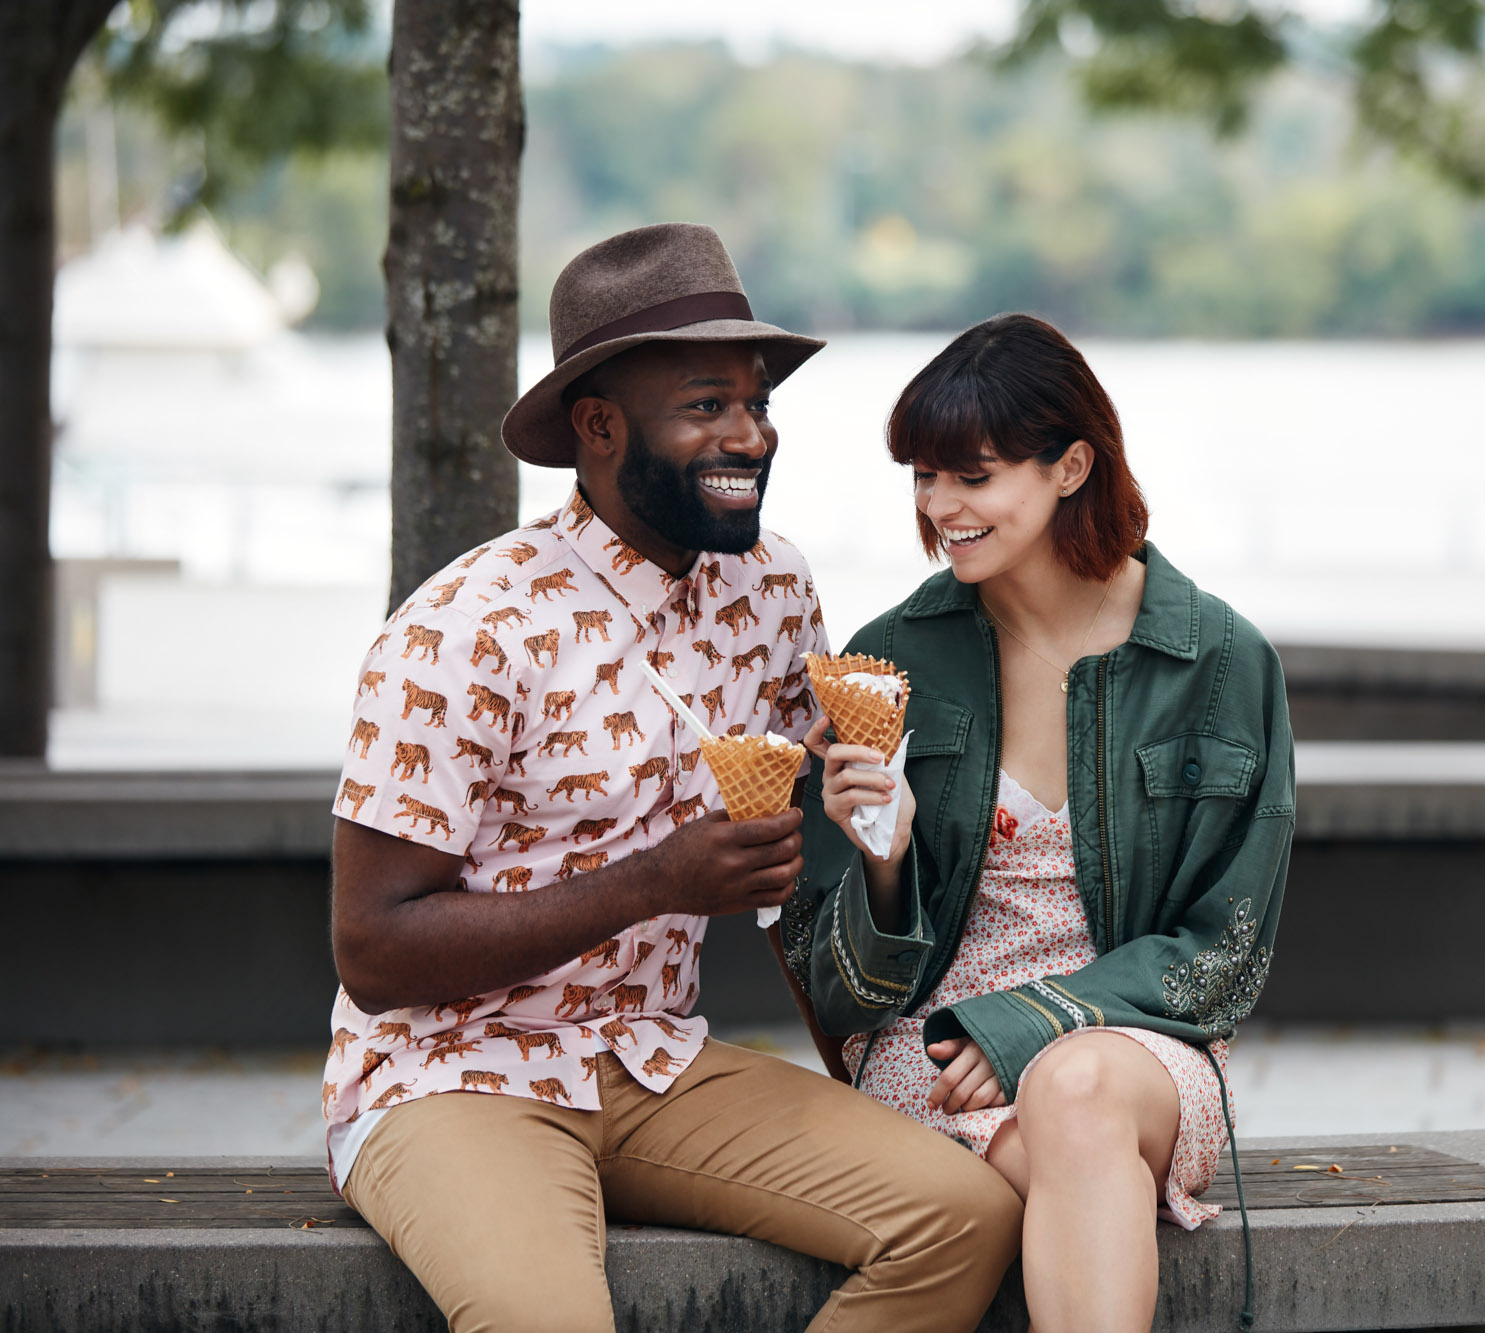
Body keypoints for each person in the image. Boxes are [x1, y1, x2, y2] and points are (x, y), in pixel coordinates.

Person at [323, 223, 1021, 1333]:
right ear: (597, 427)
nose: (749, 434)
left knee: (963, 1215)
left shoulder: (770, 587)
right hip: (452, 1075)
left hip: (658, 1061)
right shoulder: (466, 627)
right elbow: (370, 951)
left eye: (758, 404)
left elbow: (818, 847)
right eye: (706, 406)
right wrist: (648, 883)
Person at [786, 313, 1296, 1332]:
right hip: (929, 1053)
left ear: (1070, 465)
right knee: (1078, 1158)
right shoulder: (889, 660)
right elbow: (832, 989)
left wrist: (1033, 1022)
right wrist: (881, 869)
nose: (939, 507)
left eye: (971, 476)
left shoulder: (1218, 662)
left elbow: (1225, 952)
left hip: (1138, 1046)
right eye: (922, 477)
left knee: (1076, 1089)